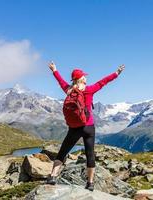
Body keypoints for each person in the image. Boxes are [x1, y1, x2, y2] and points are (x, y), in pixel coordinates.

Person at [46, 61, 125, 191]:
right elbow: (103, 82)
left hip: (74, 128)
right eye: (84, 76)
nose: (86, 77)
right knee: (90, 154)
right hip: (88, 127)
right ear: (81, 78)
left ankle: (53, 176)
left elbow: (61, 81)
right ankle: (90, 183)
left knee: (63, 152)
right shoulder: (89, 90)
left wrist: (54, 70)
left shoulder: (69, 90)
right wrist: (116, 73)